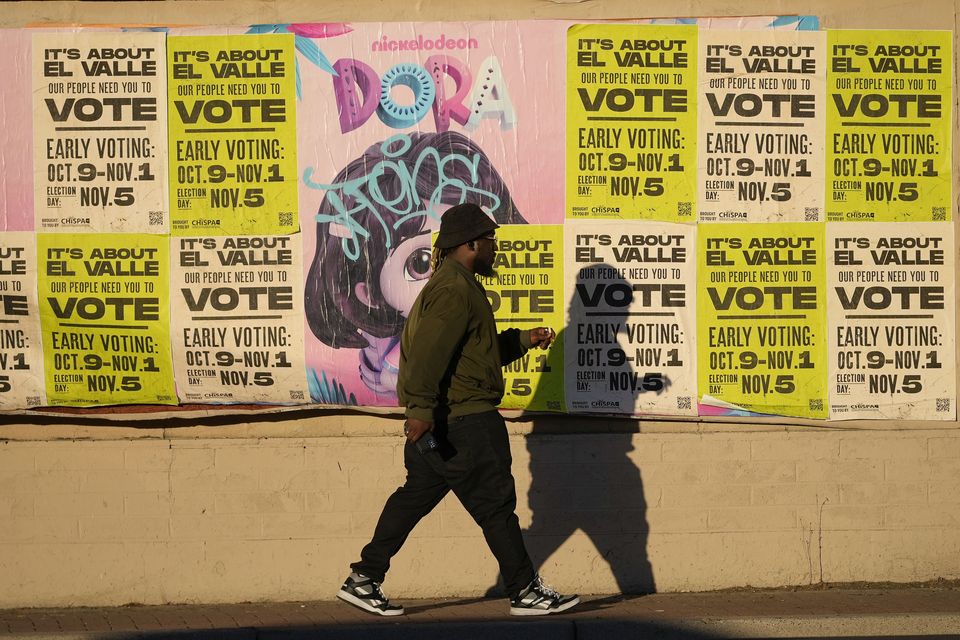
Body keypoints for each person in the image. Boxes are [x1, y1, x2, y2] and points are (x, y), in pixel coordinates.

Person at [336, 202, 579, 617]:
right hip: (463, 422)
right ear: (470, 244)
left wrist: (522, 340)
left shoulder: (455, 285)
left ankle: (363, 578)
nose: (494, 249)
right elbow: (430, 354)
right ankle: (524, 591)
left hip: (446, 420)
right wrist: (421, 410)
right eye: (490, 241)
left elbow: (470, 355)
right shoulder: (454, 290)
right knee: (496, 505)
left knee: (413, 499)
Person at [304, 132, 526, 401]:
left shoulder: (467, 302)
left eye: (477, 242)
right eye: (421, 262)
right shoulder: (419, 334)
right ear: (370, 294)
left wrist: (523, 341)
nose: (456, 262)